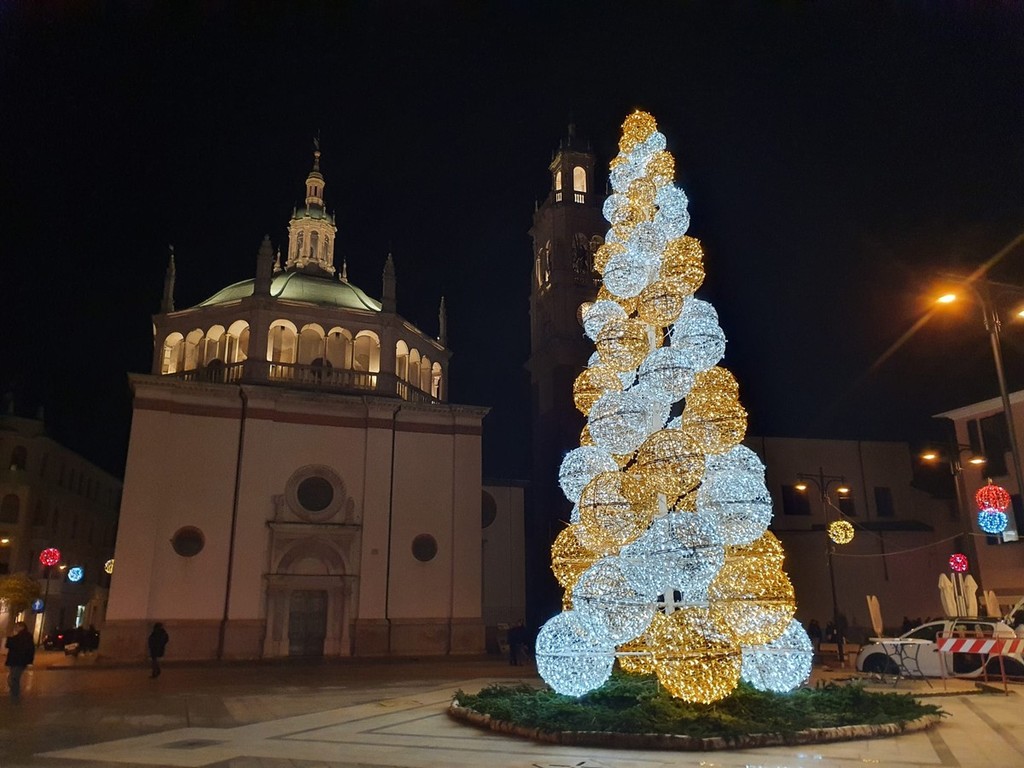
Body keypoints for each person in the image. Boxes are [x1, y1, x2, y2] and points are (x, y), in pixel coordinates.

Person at [5, 621, 35, 703]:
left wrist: (29, 661)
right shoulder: (22, 636)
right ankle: (14, 695)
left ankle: (15, 696)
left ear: (22, 627)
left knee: (14, 678)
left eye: (17, 626)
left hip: (19, 661)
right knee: (12, 678)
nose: (16, 628)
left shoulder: (24, 636)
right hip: (16, 661)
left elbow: (11, 644)